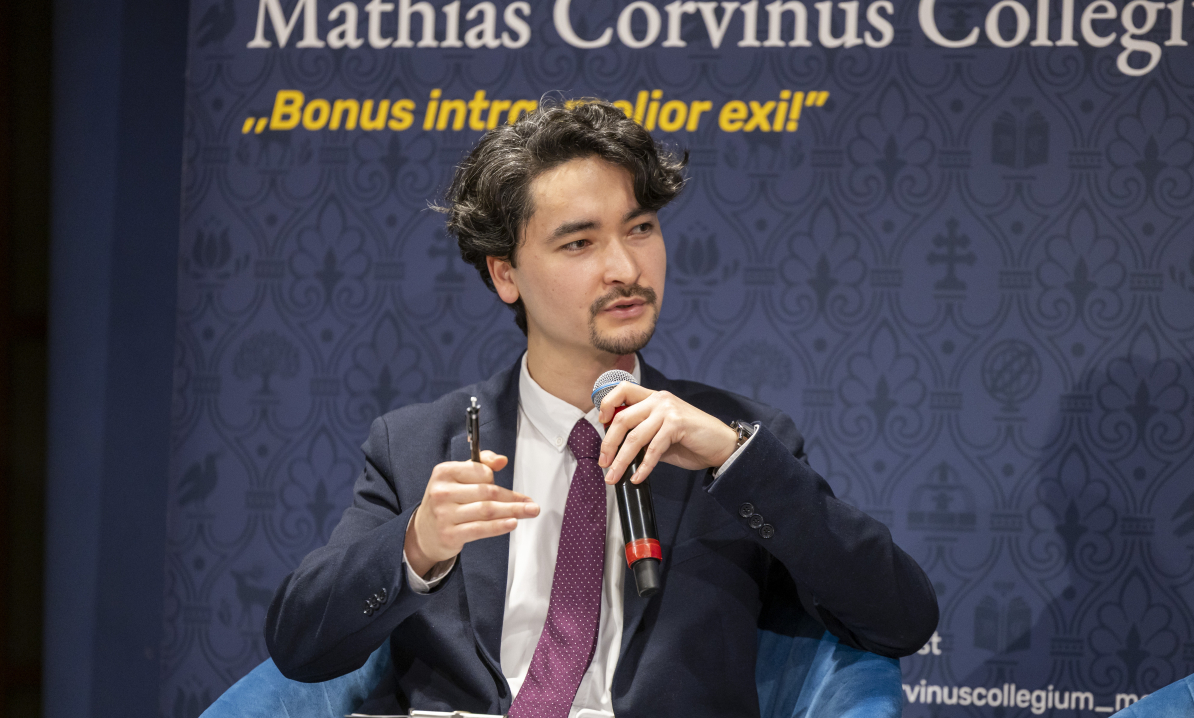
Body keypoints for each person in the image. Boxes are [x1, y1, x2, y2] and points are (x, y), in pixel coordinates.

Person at [264, 99, 938, 717]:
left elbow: (900, 621)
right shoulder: (417, 444)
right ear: (505, 273)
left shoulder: (735, 443)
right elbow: (299, 648)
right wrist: (417, 543)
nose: (625, 268)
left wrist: (734, 459)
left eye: (639, 228)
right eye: (579, 243)